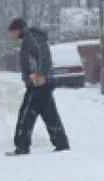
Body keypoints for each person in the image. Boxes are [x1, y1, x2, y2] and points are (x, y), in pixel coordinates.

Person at [7, 17, 70, 155]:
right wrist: (27, 77)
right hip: (39, 82)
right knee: (49, 113)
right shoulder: (27, 39)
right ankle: (61, 143)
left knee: (27, 114)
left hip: (40, 82)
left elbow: (43, 54)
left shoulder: (32, 38)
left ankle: (22, 146)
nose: (10, 35)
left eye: (11, 31)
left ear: (18, 29)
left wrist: (41, 75)